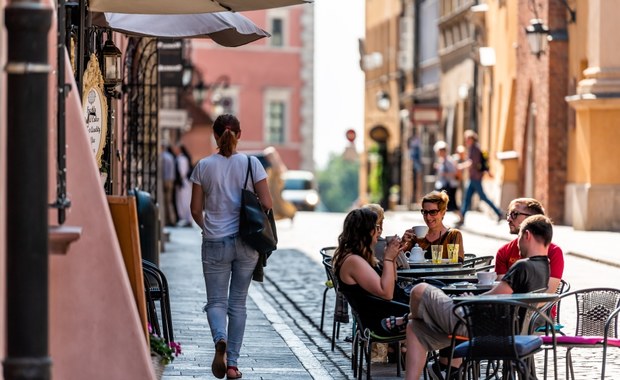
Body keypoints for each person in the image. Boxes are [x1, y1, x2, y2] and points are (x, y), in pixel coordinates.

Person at [383, 214, 553, 380]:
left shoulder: (523, 265)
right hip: (496, 328)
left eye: (520, 239)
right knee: (414, 328)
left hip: (479, 326)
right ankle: (411, 328)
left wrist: (470, 299)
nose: (518, 244)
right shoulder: (545, 267)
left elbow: (496, 296)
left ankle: (404, 319)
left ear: (527, 235)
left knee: (419, 290)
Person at [189, 114, 273, 380]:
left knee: (216, 301)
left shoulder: (203, 166)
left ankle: (219, 339)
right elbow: (268, 203)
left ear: (215, 135)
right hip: (246, 242)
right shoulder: (252, 164)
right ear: (240, 134)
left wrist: (207, 227)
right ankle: (233, 365)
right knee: (238, 304)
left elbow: (194, 209)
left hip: (214, 241)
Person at [332, 208, 407, 335]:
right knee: (433, 311)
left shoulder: (361, 256)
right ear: (365, 231)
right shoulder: (353, 261)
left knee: (430, 299)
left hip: (392, 309)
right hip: (384, 320)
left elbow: (391, 283)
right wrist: (388, 258)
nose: (379, 231)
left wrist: (393, 258)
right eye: (376, 227)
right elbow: (387, 293)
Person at [496, 198, 564, 295]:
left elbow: (546, 295)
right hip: (512, 307)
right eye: (509, 214)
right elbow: (501, 291)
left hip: (540, 309)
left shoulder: (554, 251)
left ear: (532, 218)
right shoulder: (504, 251)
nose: (509, 219)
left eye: (514, 214)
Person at [400, 191, 465, 263]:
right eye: (425, 212)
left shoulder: (453, 235)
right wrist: (402, 243)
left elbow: (458, 264)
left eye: (433, 212)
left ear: (443, 213)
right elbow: (401, 262)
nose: (428, 217)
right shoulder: (416, 237)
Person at [457, 130, 503, 225]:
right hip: (473, 178)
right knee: (467, 198)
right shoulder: (472, 148)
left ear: (472, 139)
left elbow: (472, 163)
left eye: (468, 139)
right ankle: (462, 217)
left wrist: (461, 166)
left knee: (483, 198)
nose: (466, 141)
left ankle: (499, 213)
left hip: (476, 178)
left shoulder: (475, 149)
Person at [263, 146, 297, 221]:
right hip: (272, 189)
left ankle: (290, 213)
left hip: (274, 188)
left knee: (279, 203)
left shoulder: (275, 166)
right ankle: (287, 214)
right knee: (276, 203)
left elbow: (277, 179)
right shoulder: (271, 166)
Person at [433, 141, 462, 220]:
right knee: (442, 203)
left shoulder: (449, 160)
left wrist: (445, 174)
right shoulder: (442, 160)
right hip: (444, 185)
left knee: (452, 204)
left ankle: (461, 217)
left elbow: (454, 172)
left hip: (450, 186)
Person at [172, 143, 193, 227]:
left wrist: (180, 180)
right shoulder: (184, 158)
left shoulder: (181, 159)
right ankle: (187, 219)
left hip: (183, 183)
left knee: (183, 201)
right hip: (185, 183)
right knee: (185, 200)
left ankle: (185, 219)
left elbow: (182, 172)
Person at [161, 143, 177, 226]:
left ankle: (168, 220)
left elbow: (163, 171)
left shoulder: (163, 157)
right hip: (171, 180)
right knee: (169, 201)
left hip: (165, 180)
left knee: (165, 201)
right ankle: (172, 219)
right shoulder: (170, 156)